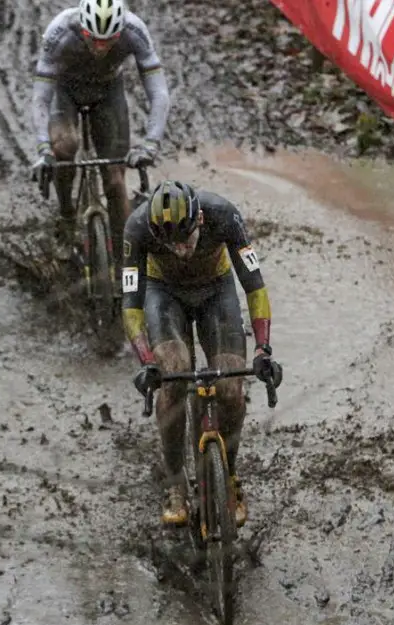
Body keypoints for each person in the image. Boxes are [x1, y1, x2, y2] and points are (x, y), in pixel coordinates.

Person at [122, 180, 283, 527]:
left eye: (186, 239)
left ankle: (230, 475)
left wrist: (263, 348)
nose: (180, 250)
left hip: (216, 291)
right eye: (171, 244)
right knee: (174, 375)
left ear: (200, 221)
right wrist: (146, 360)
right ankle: (175, 483)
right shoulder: (136, 228)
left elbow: (254, 286)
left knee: (229, 388)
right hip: (163, 295)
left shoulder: (224, 214)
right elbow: (131, 305)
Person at [29, 0, 171, 264]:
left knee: (116, 183)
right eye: (93, 38)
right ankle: (67, 216)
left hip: (107, 92)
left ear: (120, 31)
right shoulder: (60, 31)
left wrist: (151, 144)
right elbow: (41, 97)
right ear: (82, 28)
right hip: (66, 92)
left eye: (109, 40)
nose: (100, 47)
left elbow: (159, 93)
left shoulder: (135, 31)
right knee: (64, 147)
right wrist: (43, 148)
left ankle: (125, 262)